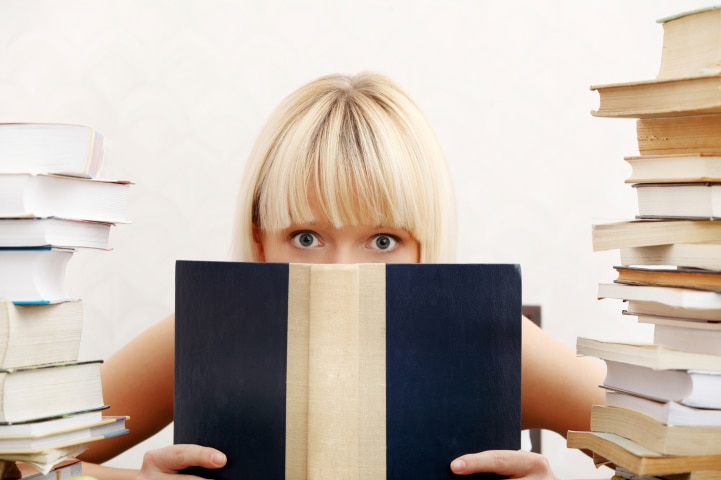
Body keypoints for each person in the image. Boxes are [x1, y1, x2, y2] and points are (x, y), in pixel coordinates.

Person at [79, 71, 606, 479]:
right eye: (307, 238)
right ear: (261, 237)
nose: (342, 271)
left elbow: (684, 452)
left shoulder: (493, 340)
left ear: (425, 245)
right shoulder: (202, 335)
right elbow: (18, 462)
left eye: (383, 241)